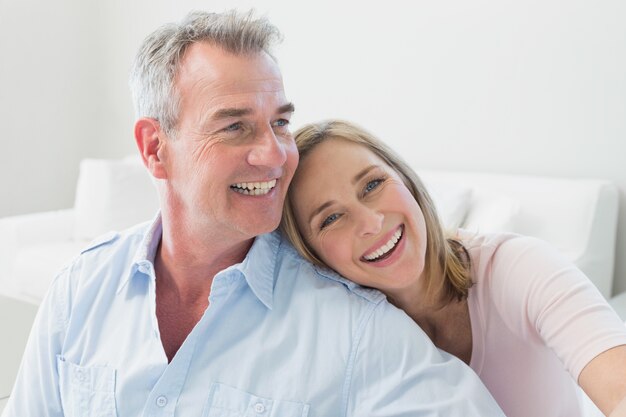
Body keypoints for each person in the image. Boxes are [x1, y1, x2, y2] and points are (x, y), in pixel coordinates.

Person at [2, 11, 505, 417]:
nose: (275, 154)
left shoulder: (353, 326)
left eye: (280, 122)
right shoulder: (79, 289)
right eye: (235, 127)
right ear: (156, 148)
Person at [281, 119, 626, 417]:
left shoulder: (519, 268)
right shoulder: (339, 336)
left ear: (406, 179)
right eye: (331, 218)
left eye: (372, 185)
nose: (371, 222)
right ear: (311, 253)